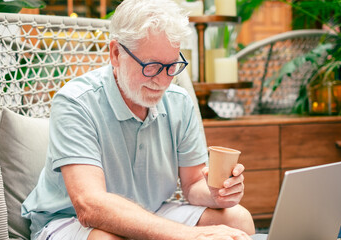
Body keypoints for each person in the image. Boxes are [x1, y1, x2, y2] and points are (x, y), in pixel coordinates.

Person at [21, 0, 255, 239]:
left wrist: (215, 194)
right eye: (152, 66)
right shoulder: (76, 102)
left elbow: (193, 183)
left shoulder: (179, 102)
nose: (164, 82)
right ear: (115, 53)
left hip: (151, 210)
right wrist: (186, 235)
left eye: (172, 65)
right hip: (69, 220)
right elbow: (90, 206)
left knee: (238, 220)